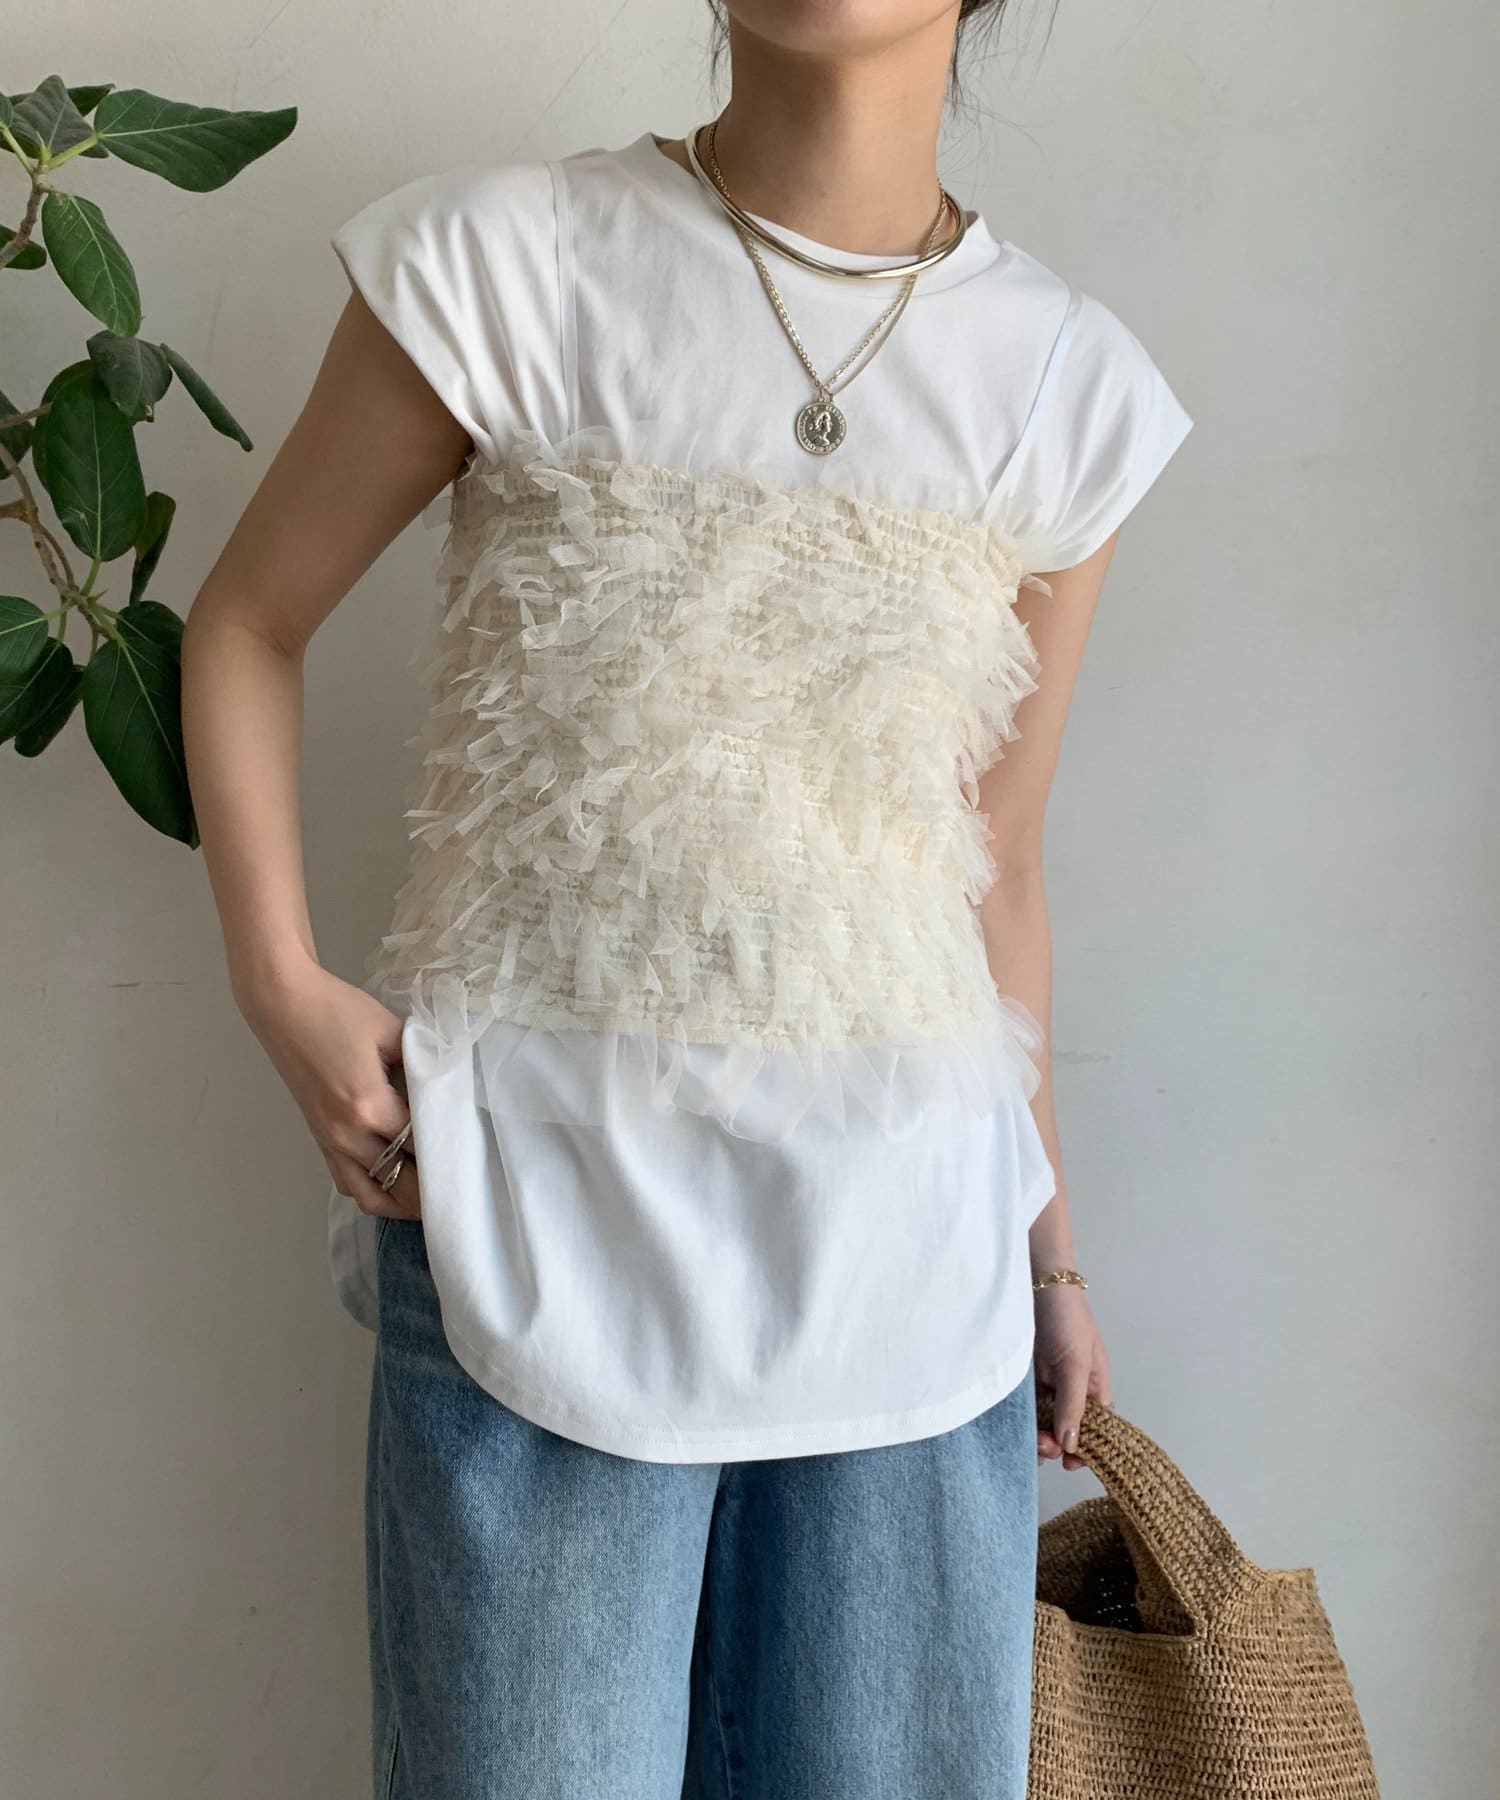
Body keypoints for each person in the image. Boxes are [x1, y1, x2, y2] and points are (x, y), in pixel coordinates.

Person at [182, 4, 1192, 1794]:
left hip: (915, 1278)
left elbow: (998, 854)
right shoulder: (505, 264)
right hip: (532, 1225)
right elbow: (248, 622)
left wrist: (1052, 1252)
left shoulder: (1060, 381)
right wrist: (280, 986)